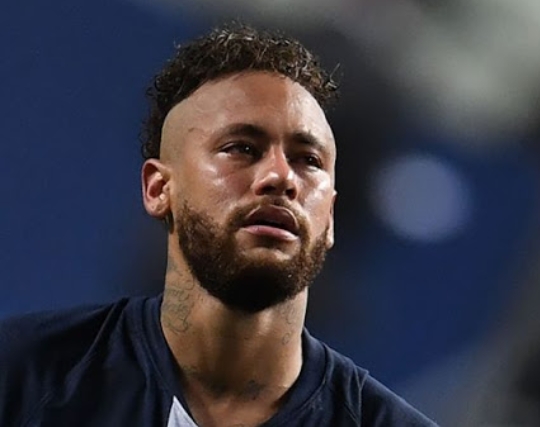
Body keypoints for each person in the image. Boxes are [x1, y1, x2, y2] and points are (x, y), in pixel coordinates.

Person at [0, 24, 438, 427]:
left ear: (331, 217)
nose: (280, 177)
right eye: (241, 148)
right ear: (158, 189)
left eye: (307, 159)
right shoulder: (23, 377)